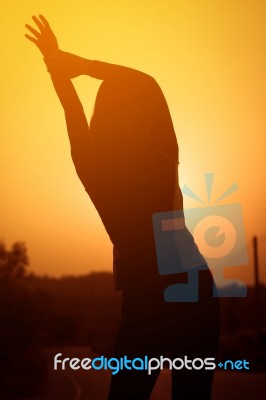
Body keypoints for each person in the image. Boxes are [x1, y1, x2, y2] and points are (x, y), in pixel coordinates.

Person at [25, 15, 220, 400]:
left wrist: (56, 66)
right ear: (141, 117)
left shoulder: (93, 168)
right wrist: (82, 66)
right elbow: (146, 83)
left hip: (146, 297)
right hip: (193, 289)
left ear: (103, 120)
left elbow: (72, 111)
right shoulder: (163, 156)